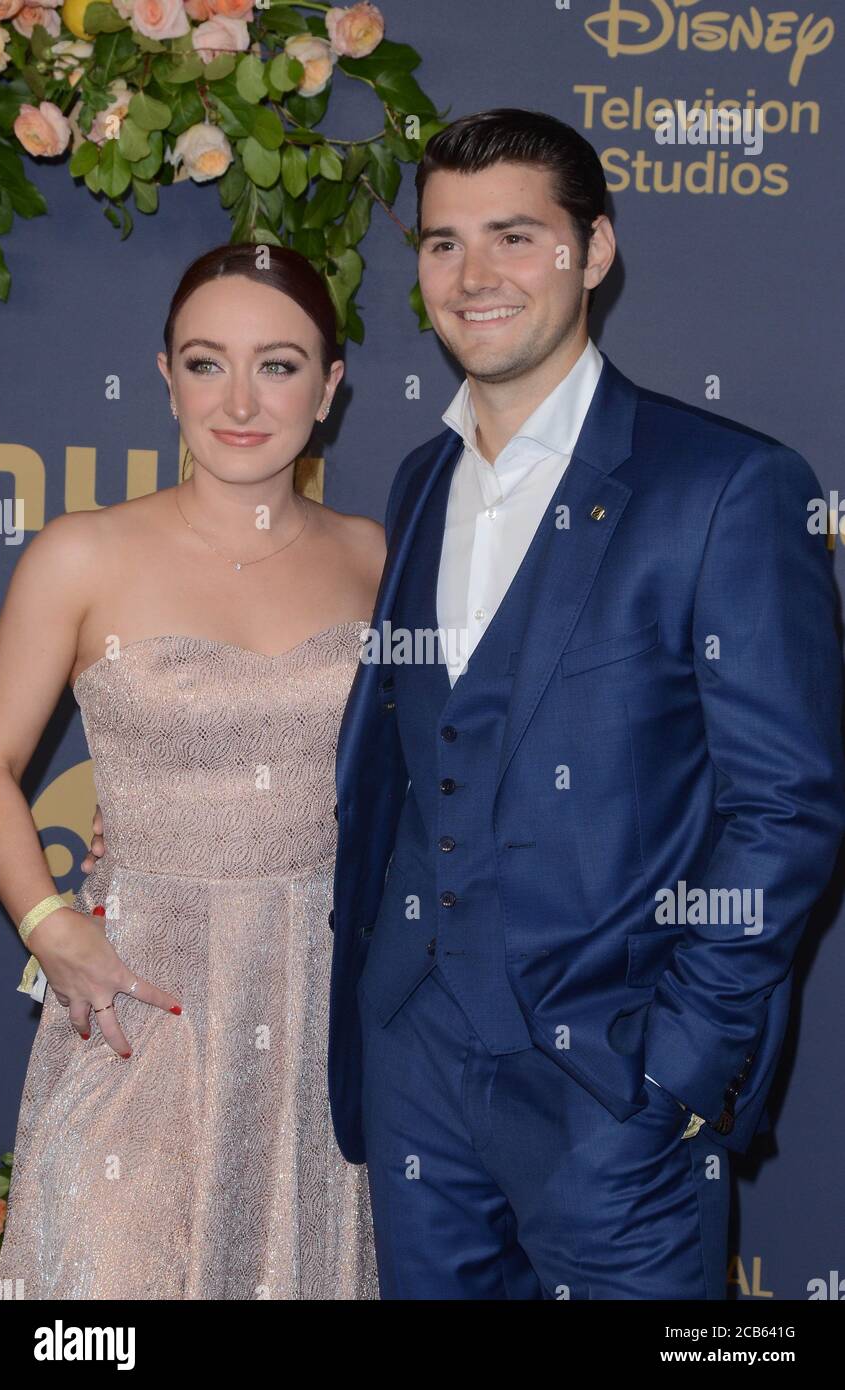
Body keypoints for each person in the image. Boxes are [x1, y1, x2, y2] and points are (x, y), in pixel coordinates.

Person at [324, 109, 845, 1298]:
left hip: (614, 1089)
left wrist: (677, 1063)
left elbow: (787, 807)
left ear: (593, 252)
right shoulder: (420, 477)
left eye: (515, 236)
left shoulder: (725, 487)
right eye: (444, 243)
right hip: (412, 1064)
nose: (474, 276)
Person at [0, 242, 385, 1299]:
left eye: (281, 364)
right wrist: (47, 926)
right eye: (208, 363)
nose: (242, 400)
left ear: (331, 386)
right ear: (166, 375)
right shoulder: (82, 554)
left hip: (319, 1010)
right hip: (139, 1002)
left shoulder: (378, 561)